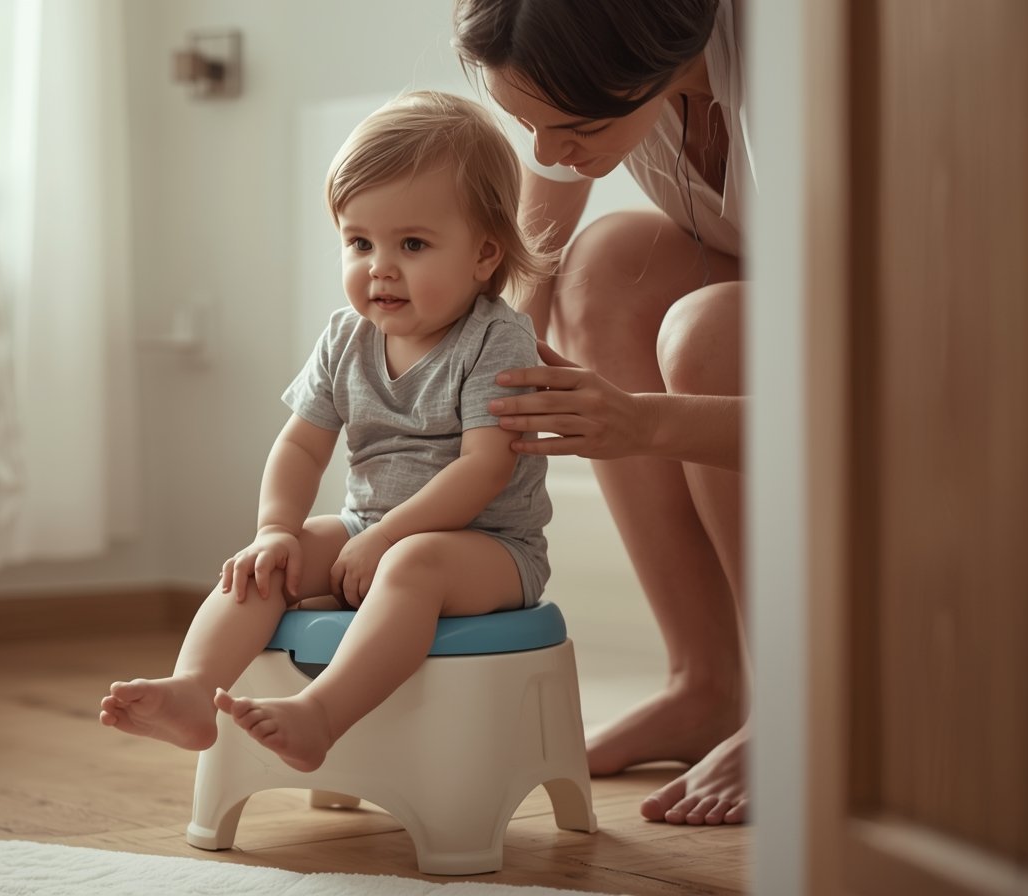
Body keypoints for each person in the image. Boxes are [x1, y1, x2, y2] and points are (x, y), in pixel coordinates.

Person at [98, 90, 554, 774]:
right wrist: (276, 530)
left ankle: (322, 714)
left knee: (412, 564)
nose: (380, 266)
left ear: (484, 254)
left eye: (413, 244)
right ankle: (194, 691)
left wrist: (386, 537)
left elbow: (483, 469)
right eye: (359, 242)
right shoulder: (347, 338)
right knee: (263, 569)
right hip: (365, 528)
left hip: (488, 549)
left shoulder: (496, 339)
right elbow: (302, 444)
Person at [452, 0, 753, 825]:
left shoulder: (801, 80)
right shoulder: (582, 71)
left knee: (710, 329)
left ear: (658, 59)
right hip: (783, 304)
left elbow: (875, 398)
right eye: (527, 123)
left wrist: (645, 422)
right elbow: (523, 286)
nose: (549, 154)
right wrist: (464, 397)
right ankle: (704, 682)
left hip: (909, 333)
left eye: (575, 127)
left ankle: (803, 708)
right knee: (603, 266)